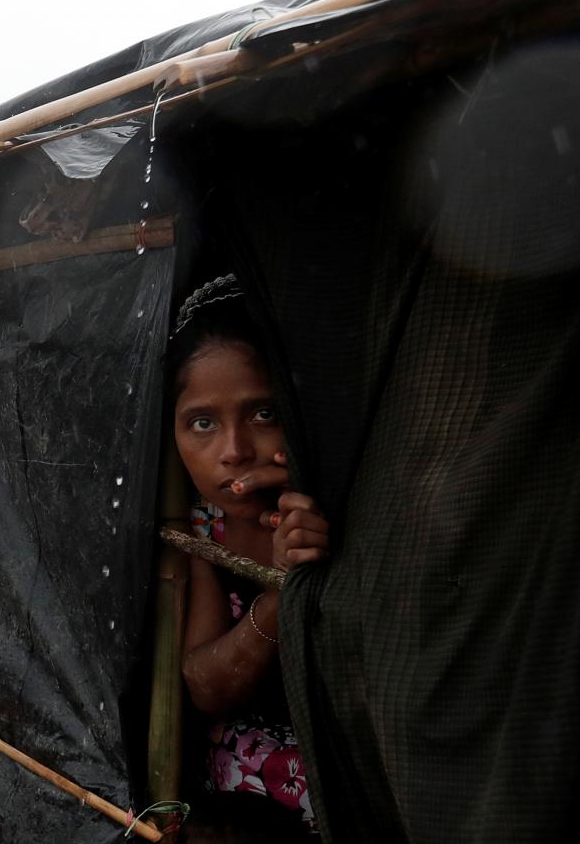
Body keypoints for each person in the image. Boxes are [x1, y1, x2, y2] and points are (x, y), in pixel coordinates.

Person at [168, 274, 329, 837]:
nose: (234, 451)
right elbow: (206, 687)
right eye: (203, 424)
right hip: (244, 792)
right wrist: (282, 591)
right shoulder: (199, 529)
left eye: (263, 414)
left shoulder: (340, 505)